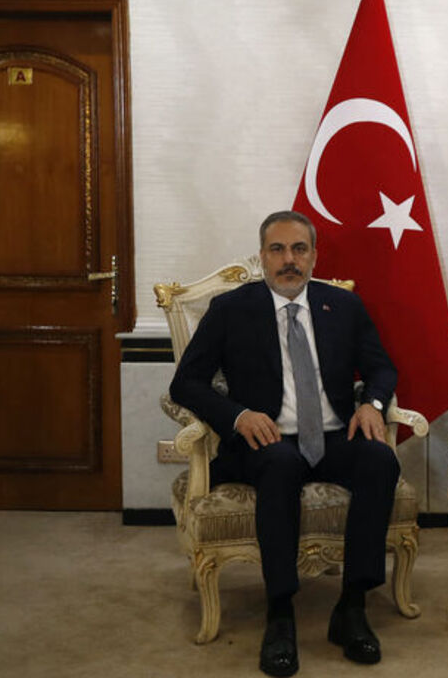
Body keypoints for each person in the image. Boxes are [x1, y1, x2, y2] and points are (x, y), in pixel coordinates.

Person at [170, 210, 400, 677]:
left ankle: (352, 607)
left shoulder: (344, 306)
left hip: (335, 435)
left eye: (299, 249)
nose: (288, 259)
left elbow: (382, 368)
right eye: (278, 249)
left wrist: (372, 404)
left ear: (314, 256)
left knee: (380, 460)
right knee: (279, 464)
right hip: (265, 441)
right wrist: (237, 415)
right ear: (263, 257)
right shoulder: (232, 309)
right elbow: (186, 383)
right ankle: (280, 615)